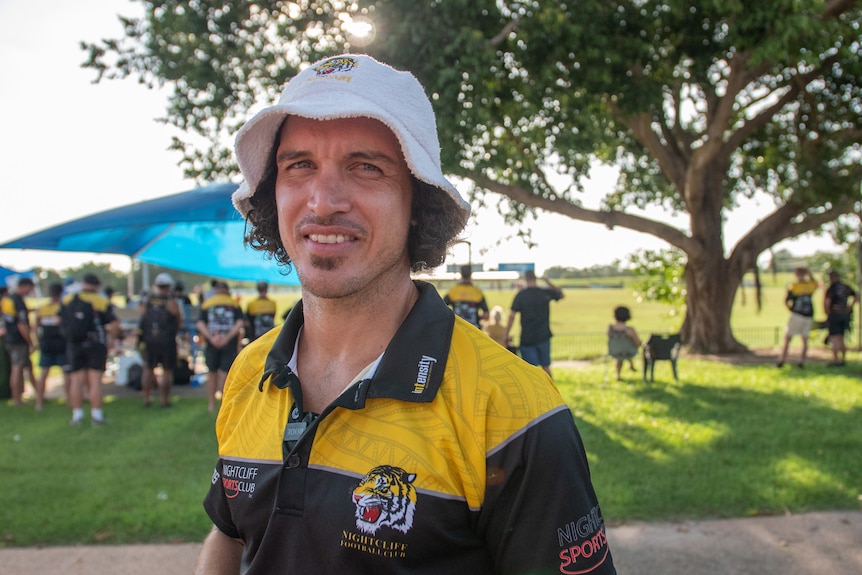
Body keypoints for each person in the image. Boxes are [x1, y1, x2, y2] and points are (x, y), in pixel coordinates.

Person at [195, 54, 615, 575]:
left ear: (418, 200)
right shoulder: (249, 373)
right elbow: (228, 534)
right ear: (270, 194)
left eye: (366, 167)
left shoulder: (513, 407)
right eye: (298, 165)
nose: (323, 202)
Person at [62, 273, 118, 425]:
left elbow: (58, 318)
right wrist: (111, 339)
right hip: (95, 344)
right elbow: (113, 323)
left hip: (74, 344)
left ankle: (77, 416)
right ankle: (96, 416)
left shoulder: (69, 299)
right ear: (97, 286)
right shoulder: (100, 300)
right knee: (95, 381)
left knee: (76, 381)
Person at [505, 269, 564, 378]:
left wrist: (506, 334)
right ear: (535, 278)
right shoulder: (544, 292)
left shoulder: (521, 295)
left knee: (530, 371)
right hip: (543, 335)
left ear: (526, 279)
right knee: (546, 367)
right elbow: (560, 294)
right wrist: (547, 281)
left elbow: (512, 316)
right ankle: (551, 393)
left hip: (527, 337)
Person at [196, 281, 244, 412]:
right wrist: (227, 338)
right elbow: (239, 322)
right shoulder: (234, 303)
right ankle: (223, 404)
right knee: (225, 373)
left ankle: (211, 404)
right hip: (229, 344)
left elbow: (200, 323)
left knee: (212, 373)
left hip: (212, 343)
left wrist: (211, 338)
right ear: (227, 291)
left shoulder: (208, 303)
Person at [138, 272, 182, 407]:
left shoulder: (147, 300)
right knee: (167, 370)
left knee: (148, 369)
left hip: (150, 339)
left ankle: (147, 399)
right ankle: (164, 400)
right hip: (166, 340)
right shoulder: (170, 301)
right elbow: (178, 319)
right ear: (169, 286)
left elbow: (142, 316)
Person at [1, 277, 35, 406]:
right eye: (30, 289)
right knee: (17, 368)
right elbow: (22, 324)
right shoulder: (18, 300)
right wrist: (30, 340)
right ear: (25, 286)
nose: (30, 292)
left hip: (8, 338)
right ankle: (17, 399)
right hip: (18, 340)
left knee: (19, 368)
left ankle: (19, 396)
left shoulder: (7, 298)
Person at [35, 282, 69, 409]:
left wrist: (38, 341)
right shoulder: (63, 307)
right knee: (66, 372)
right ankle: (69, 401)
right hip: (61, 343)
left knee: (43, 373)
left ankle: (39, 402)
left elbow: (36, 327)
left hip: (46, 343)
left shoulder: (42, 308)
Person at [776, 267, 818, 368]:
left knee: (789, 337)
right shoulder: (808, 285)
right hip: (807, 315)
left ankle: (783, 359)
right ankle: (798, 361)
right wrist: (809, 273)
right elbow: (815, 283)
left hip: (798, 315)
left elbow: (786, 300)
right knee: (802, 338)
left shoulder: (794, 286)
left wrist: (791, 310)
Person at [823, 270, 857, 367]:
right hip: (844, 315)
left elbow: (827, 302)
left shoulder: (832, 288)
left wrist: (827, 312)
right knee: (841, 338)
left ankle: (836, 360)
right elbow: (855, 295)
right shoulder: (845, 287)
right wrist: (849, 307)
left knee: (834, 338)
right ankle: (843, 359)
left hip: (834, 314)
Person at [607, 305, 642, 381]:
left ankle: (618, 375)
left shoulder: (610, 329)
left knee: (620, 353)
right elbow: (638, 343)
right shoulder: (630, 330)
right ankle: (631, 365)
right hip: (629, 352)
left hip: (614, 351)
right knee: (625, 350)